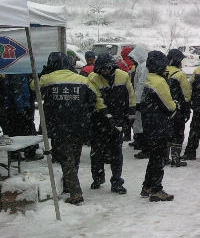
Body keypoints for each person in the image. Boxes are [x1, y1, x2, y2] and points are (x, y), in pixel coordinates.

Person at [37, 52, 100, 204]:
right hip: (79, 124)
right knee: (74, 156)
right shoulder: (83, 80)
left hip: (58, 125)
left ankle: (75, 192)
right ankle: (68, 184)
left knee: (65, 158)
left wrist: (45, 72)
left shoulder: (47, 79)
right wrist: (83, 111)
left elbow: (33, 86)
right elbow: (94, 98)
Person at [87, 54, 135, 194]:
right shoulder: (93, 78)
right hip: (99, 119)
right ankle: (97, 177)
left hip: (118, 117)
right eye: (101, 70)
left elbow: (130, 95)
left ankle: (117, 181)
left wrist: (130, 114)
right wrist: (107, 115)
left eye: (107, 68)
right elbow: (97, 99)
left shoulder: (123, 76)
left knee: (116, 151)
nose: (104, 72)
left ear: (112, 67)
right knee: (97, 150)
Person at [140, 50, 176, 201]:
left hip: (150, 124)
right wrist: (176, 105)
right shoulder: (159, 82)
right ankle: (156, 189)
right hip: (159, 125)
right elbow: (169, 106)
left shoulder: (148, 79)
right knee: (158, 158)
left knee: (154, 157)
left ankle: (147, 186)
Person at [1, 74, 41, 160]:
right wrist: (21, 108)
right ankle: (30, 153)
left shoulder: (13, 72)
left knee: (14, 130)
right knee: (28, 130)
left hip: (14, 106)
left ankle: (15, 154)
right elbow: (16, 91)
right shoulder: (18, 72)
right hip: (19, 106)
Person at [166, 49, 192, 167]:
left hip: (164, 108)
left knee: (166, 133)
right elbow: (186, 93)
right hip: (178, 109)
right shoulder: (179, 74)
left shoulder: (162, 71)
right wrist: (187, 108)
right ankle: (175, 158)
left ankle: (164, 157)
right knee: (178, 133)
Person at [128, 45, 149, 157]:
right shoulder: (141, 65)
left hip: (140, 98)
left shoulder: (144, 66)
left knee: (140, 121)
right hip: (138, 97)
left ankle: (141, 142)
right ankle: (138, 140)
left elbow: (141, 84)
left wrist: (137, 100)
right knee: (138, 121)